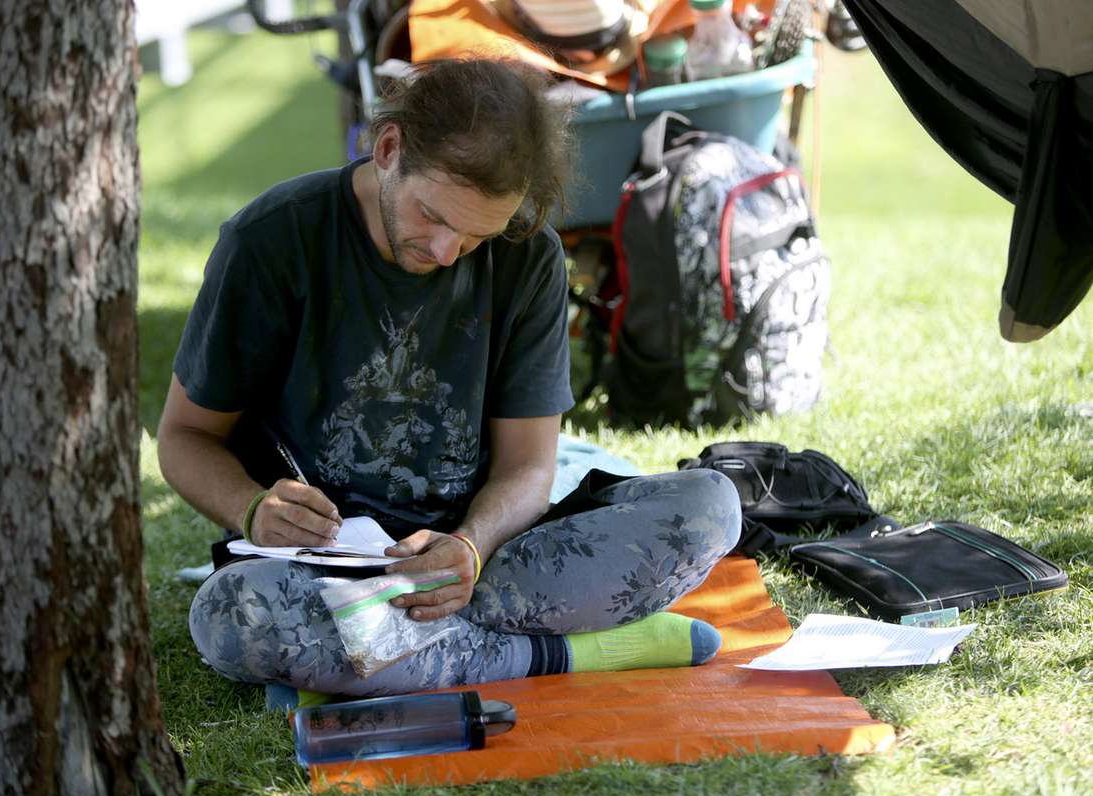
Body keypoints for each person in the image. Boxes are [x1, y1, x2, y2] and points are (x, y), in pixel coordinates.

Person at [159, 58, 741, 697]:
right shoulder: (272, 239)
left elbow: (527, 468)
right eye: (432, 216)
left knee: (708, 507)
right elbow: (184, 438)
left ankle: (388, 652)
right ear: (388, 149)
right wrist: (251, 509)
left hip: (479, 562)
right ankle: (563, 655)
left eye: (474, 236)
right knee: (231, 614)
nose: (444, 253)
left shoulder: (530, 255)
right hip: (325, 568)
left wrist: (470, 545)